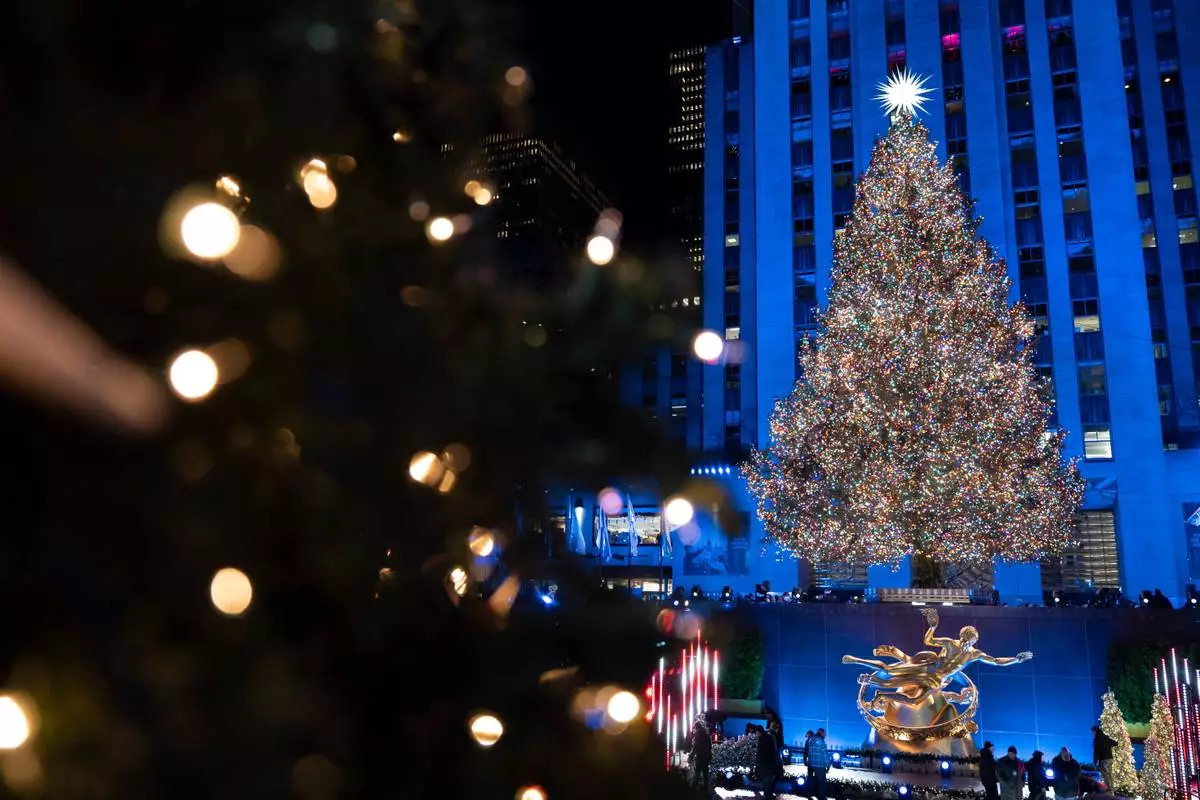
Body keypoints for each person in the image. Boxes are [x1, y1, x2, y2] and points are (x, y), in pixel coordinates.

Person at [756, 726, 782, 800]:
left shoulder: (762, 739)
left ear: (759, 732)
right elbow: (773, 751)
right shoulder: (769, 738)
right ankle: (768, 795)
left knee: (766, 782)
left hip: (765, 764)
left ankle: (768, 796)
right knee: (769, 781)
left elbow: (760, 753)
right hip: (770, 763)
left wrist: (758, 763)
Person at [806, 728, 831, 800]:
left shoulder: (811, 740)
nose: (825, 735)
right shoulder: (820, 740)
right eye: (824, 733)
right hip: (820, 765)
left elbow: (809, 752)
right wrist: (828, 764)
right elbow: (825, 753)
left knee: (813, 780)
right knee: (822, 782)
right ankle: (821, 797)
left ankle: (811, 794)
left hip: (812, 764)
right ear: (821, 733)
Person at [690, 717, 712, 796]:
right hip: (707, 756)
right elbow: (710, 746)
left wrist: (691, 756)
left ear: (696, 727)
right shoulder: (707, 735)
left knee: (697, 772)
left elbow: (695, 747)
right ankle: (706, 790)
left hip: (701, 756)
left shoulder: (698, 735)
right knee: (705, 773)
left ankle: (693, 790)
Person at [1092, 724, 1116, 790]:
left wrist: (1095, 761)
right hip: (1110, 758)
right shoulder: (1105, 737)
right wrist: (1107, 747)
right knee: (1109, 774)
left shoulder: (1097, 739)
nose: (1092, 734)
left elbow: (1096, 751)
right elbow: (1115, 743)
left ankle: (1109, 790)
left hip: (1103, 759)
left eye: (1092, 732)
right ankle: (1112, 789)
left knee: (1105, 776)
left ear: (1095, 731)